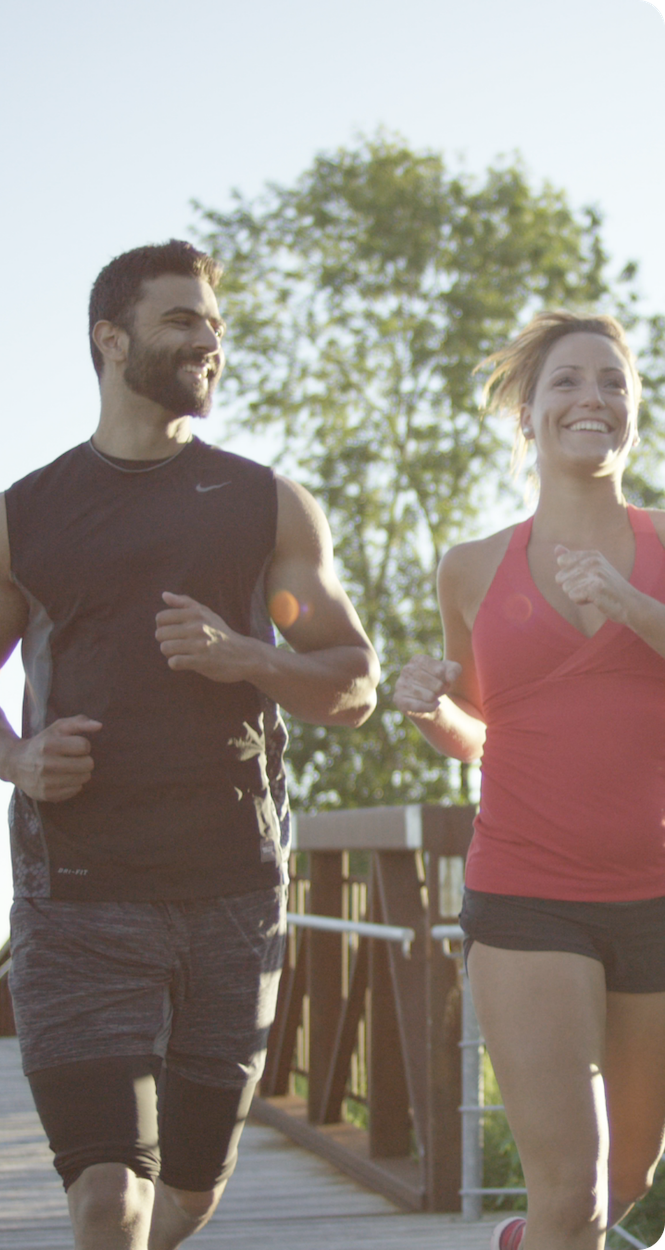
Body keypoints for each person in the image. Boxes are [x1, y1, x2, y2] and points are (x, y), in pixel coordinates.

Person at [0, 239, 379, 1250]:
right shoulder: (15, 518)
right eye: (181, 320)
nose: (207, 341)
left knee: (184, 1196)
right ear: (109, 337)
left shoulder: (266, 502)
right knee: (106, 1199)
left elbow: (353, 683)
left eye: (214, 324)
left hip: (232, 892)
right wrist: (13, 757)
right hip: (79, 894)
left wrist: (244, 659)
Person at [394, 312, 665, 1250]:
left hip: (656, 896)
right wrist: (432, 709)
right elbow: (478, 735)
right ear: (527, 412)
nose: (593, 398)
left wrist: (629, 604)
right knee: (574, 1191)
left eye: (614, 383)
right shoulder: (470, 569)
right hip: (526, 892)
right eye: (566, 382)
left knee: (628, 1173)